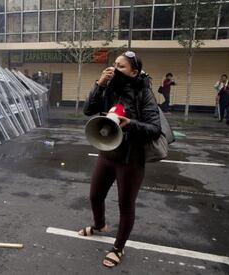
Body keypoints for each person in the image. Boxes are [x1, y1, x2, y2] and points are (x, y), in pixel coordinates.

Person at [82, 51, 161, 268]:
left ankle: (118, 247)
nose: (115, 69)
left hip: (130, 158)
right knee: (95, 196)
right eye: (114, 64)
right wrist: (99, 84)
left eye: (122, 66)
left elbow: (155, 129)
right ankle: (100, 226)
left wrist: (130, 123)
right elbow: (88, 110)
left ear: (134, 72)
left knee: (126, 205)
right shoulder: (108, 88)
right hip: (107, 152)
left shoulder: (143, 92)